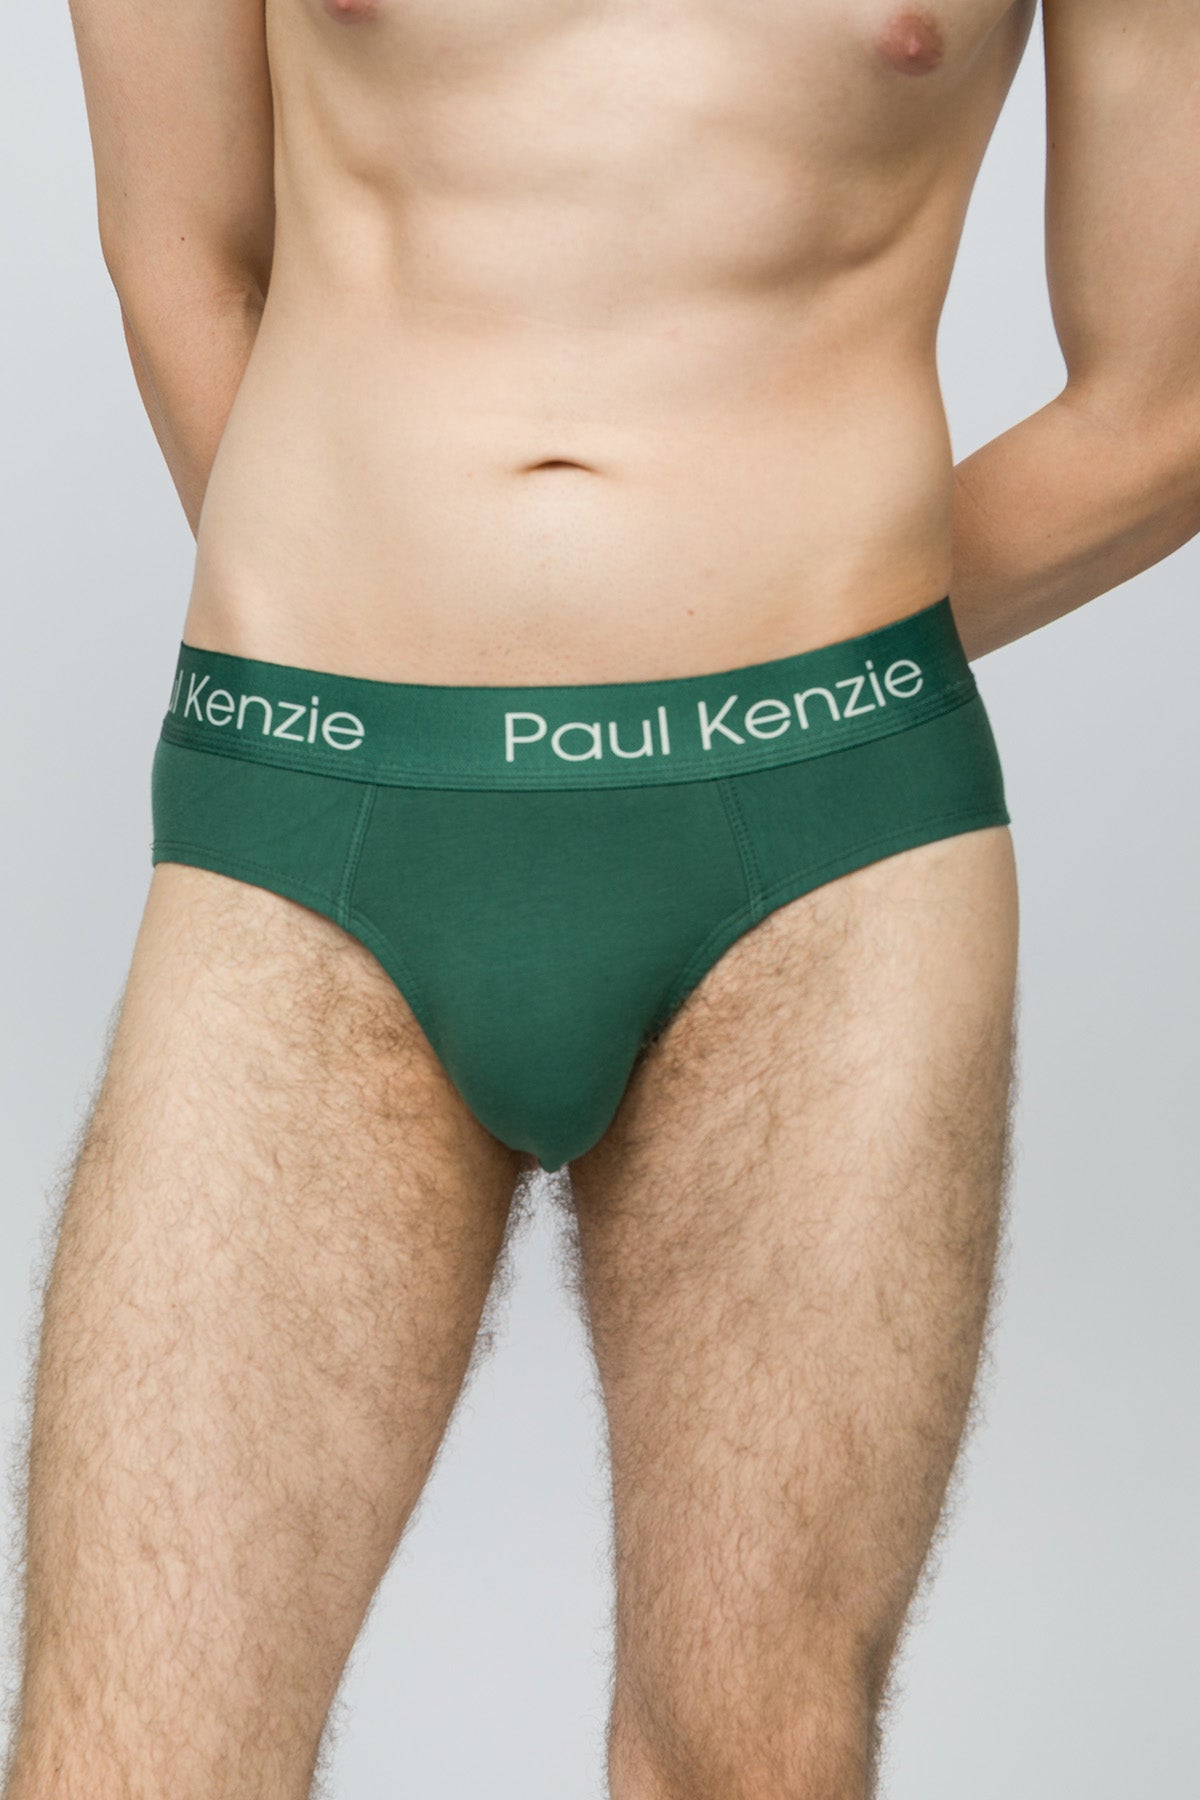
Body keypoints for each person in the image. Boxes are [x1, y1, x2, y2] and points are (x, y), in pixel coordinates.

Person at [5, 2, 1198, 1796]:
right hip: (318, 813)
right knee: (131, 1759)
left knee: (753, 1757)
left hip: (823, 842)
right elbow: (180, 252)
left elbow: (1167, 404)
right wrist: (382, 644)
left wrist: (777, 666)